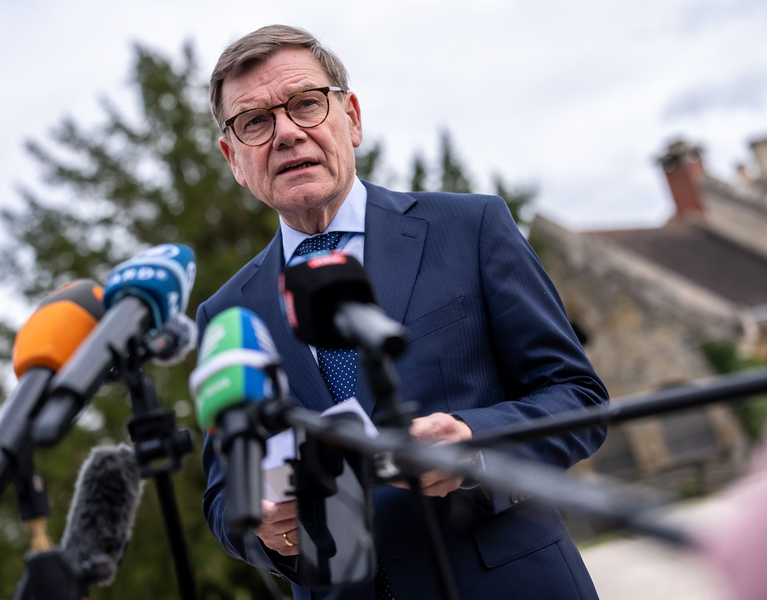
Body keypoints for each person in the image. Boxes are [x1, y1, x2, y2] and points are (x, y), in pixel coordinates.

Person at [198, 24, 609, 600]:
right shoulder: (225, 315)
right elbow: (221, 496)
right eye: (255, 122)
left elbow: (578, 398)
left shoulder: (470, 229)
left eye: (306, 104)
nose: (286, 133)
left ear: (353, 118)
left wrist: (475, 441)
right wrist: (264, 530)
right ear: (233, 158)